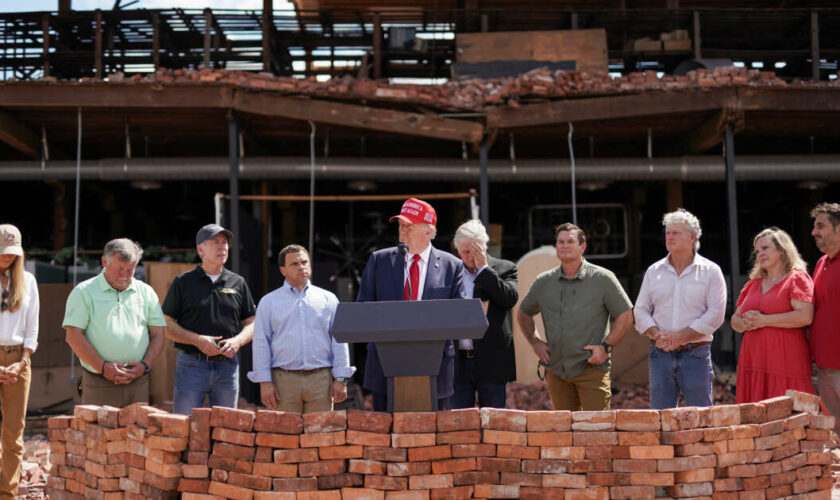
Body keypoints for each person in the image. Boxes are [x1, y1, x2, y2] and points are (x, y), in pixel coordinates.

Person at [357, 198, 465, 412]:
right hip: (386, 365)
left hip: (435, 368)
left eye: (409, 225)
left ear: (428, 231)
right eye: (400, 225)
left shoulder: (451, 266)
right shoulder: (380, 261)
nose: (402, 230)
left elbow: (458, 315)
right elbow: (363, 309)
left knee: (433, 439)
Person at [516, 223, 633, 411]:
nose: (564, 245)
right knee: (564, 431)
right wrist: (535, 342)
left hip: (591, 369)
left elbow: (626, 316)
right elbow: (524, 313)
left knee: (596, 430)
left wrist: (606, 347)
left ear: (582, 247)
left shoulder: (603, 279)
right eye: (560, 242)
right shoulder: (544, 282)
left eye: (570, 241)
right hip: (555, 371)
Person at [634, 209, 727, 409]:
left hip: (696, 353)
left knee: (701, 418)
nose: (669, 237)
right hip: (660, 354)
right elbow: (640, 310)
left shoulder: (711, 271)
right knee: (661, 419)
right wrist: (657, 334)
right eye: (668, 232)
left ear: (692, 237)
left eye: (676, 233)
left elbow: (716, 314)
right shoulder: (653, 271)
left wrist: (681, 337)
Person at [247, 245, 354, 414]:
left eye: (305, 262)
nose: (301, 267)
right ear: (283, 270)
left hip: (321, 380)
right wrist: (265, 382)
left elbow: (339, 340)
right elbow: (261, 344)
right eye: (294, 264)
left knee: (320, 436)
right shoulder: (269, 302)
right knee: (285, 437)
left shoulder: (328, 299)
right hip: (283, 381)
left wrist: (341, 378)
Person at [162, 224, 256, 415]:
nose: (222, 247)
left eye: (224, 243)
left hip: (227, 366)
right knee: (184, 424)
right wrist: (197, 340)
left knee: (227, 429)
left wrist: (237, 341)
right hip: (192, 365)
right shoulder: (183, 282)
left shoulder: (238, 282)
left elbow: (252, 324)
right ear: (200, 250)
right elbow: (167, 326)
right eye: (215, 242)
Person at [64, 238, 166, 407]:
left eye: (130, 269)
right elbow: (73, 336)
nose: (125, 275)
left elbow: (159, 335)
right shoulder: (83, 292)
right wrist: (103, 367)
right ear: (104, 262)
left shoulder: (146, 292)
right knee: (98, 432)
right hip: (98, 382)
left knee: (136, 433)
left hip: (137, 382)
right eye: (120, 269)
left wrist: (144, 366)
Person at [731, 227, 814, 403]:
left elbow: (805, 316)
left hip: (785, 360)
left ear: (782, 250)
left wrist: (764, 321)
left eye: (765, 248)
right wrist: (745, 323)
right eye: (757, 251)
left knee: (789, 420)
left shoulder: (796, 279)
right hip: (754, 360)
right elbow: (734, 320)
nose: (760, 254)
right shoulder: (753, 283)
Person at [450, 219, 518, 409]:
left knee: (494, 423)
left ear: (484, 246)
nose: (470, 257)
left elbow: (509, 299)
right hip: (458, 363)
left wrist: (484, 269)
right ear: (457, 251)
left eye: (475, 251)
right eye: (465, 252)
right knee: (459, 425)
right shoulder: (450, 272)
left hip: (492, 361)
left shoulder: (505, 268)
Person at [0, 224, 38, 499]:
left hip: (19, 360)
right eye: (2, 252)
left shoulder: (28, 281)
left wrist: (23, 361)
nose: (6, 257)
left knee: (14, 433)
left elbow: (32, 328)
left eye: (12, 252)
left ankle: (8, 493)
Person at [810, 202, 840, 434]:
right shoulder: (821, 263)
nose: (814, 232)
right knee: (835, 429)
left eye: (821, 226)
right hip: (825, 364)